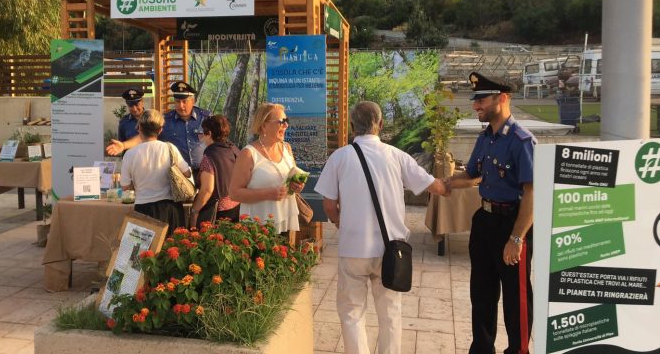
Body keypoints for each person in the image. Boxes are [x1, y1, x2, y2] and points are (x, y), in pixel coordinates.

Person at [314, 101, 449, 354]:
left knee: (352, 313)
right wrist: (455, 183)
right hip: (391, 250)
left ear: (352, 126)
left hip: (353, 248)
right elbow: (435, 187)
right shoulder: (396, 155)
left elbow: (329, 205)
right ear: (381, 124)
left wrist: (342, 223)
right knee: (390, 313)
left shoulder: (339, 157)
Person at [444, 72, 535, 354]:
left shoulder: (521, 141)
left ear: (502, 98)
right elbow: (472, 175)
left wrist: (516, 239)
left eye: (481, 99)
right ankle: (482, 349)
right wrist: (440, 183)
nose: (476, 106)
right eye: (476, 100)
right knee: (481, 294)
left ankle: (518, 350)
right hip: (484, 221)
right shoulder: (485, 138)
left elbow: (532, 192)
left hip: (511, 223)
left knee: (515, 298)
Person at [229, 103, 305, 234]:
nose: (286, 125)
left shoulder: (287, 148)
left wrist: (296, 186)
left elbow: (289, 181)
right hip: (257, 228)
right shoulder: (248, 154)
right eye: (281, 122)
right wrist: (268, 194)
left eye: (286, 121)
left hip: (284, 222)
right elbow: (234, 193)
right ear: (264, 125)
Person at [107, 82, 210, 175]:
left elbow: (217, 140)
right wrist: (124, 145)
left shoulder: (206, 118)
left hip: (204, 172)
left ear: (192, 101)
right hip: (178, 175)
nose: (181, 106)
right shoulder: (166, 120)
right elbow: (146, 135)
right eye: (177, 101)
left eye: (184, 101)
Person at [120, 109, 191, 234]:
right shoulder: (170, 148)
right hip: (171, 208)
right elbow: (187, 173)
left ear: (139, 128)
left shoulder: (130, 154)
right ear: (160, 130)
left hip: (143, 208)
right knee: (173, 249)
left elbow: (125, 186)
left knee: (145, 252)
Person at [189, 115, 240, 228]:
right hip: (236, 208)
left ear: (210, 134)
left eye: (203, 132)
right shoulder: (233, 149)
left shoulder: (209, 156)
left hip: (219, 213)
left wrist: (194, 211)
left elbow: (207, 190)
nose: (200, 135)